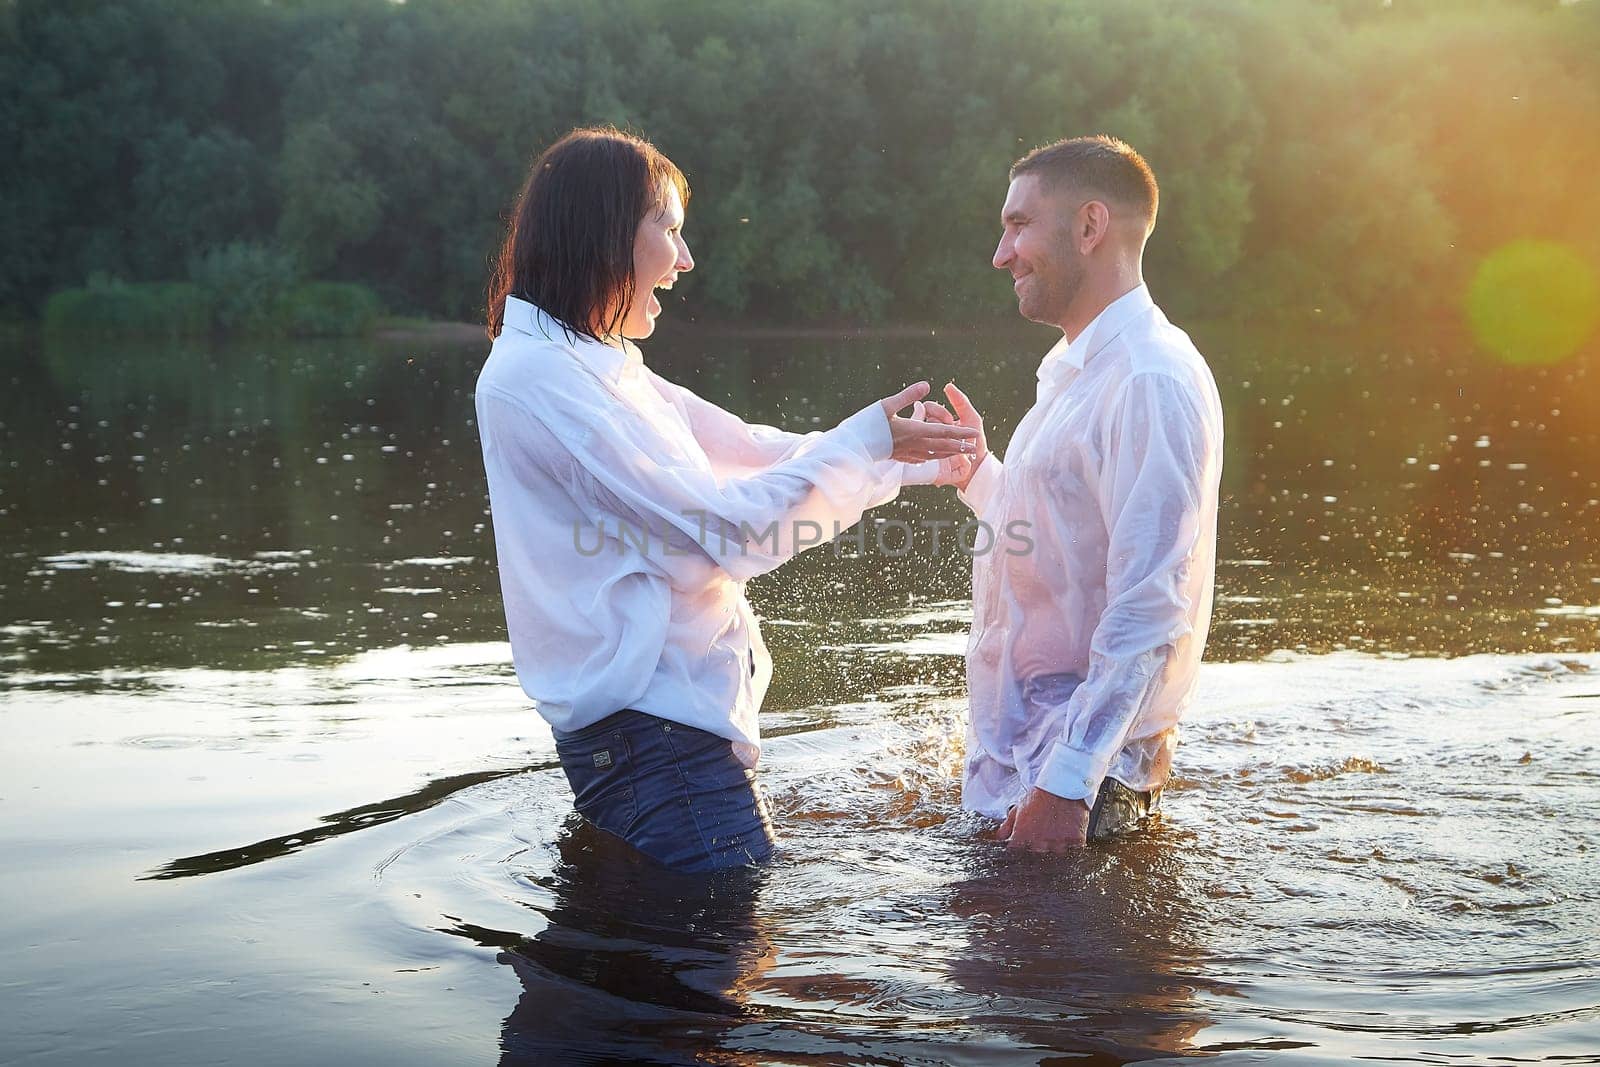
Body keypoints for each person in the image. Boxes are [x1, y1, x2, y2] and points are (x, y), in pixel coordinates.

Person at [475, 127, 977, 873]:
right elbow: (730, 532)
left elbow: (749, 449)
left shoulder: (596, 363)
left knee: (696, 959)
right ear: (605, 233)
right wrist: (867, 443)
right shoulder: (539, 379)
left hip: (669, 742)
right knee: (721, 970)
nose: (684, 260)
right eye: (669, 230)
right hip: (658, 747)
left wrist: (907, 459)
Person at [928, 136, 1225, 850]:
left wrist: (1066, 785)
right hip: (1027, 760)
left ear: (1090, 227)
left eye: (1019, 225)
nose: (1002, 254)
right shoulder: (1072, 370)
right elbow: (1061, 544)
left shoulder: (1150, 380)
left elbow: (1151, 607)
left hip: (1083, 784)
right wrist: (980, 475)